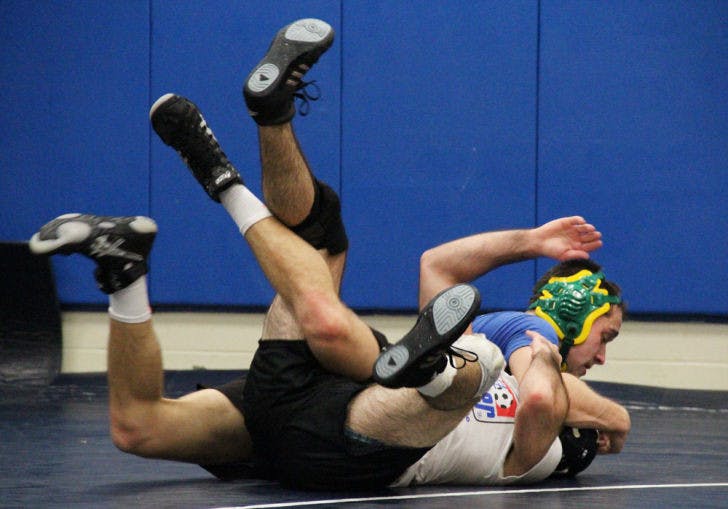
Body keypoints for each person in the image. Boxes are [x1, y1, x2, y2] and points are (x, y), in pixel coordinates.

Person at [28, 18, 627, 490]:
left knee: (142, 425)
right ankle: (268, 121)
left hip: (343, 429)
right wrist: (612, 415)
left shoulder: (543, 446)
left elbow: (542, 398)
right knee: (327, 280)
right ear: (582, 315)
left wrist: (602, 416)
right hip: (323, 425)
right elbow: (445, 276)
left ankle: (141, 253)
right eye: (608, 337)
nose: (602, 358)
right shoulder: (533, 354)